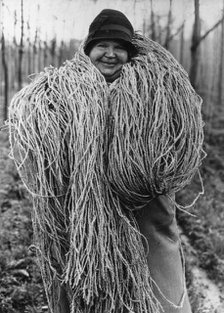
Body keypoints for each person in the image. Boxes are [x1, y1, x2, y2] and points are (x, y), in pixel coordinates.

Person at [9, 8, 204, 313]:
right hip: (86, 202)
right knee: (88, 265)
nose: (110, 54)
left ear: (131, 53)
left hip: (145, 202)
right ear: (89, 50)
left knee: (157, 251)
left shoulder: (155, 90)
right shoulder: (62, 90)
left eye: (120, 47)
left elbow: (178, 136)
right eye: (102, 45)